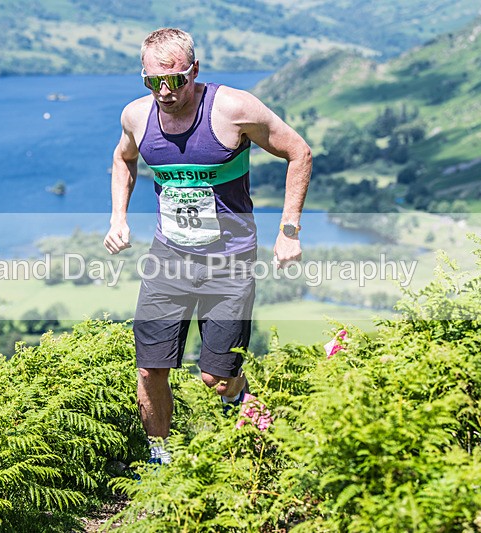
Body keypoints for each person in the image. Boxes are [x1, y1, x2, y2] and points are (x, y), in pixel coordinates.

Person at [103, 28, 311, 464]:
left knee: (216, 379)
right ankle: (160, 462)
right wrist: (118, 217)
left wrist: (289, 231)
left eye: (175, 80)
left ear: (194, 70)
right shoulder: (136, 116)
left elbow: (299, 152)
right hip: (168, 259)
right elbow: (123, 159)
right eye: (153, 81)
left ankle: (248, 414)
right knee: (150, 370)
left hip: (229, 261)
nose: (164, 91)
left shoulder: (234, 109)